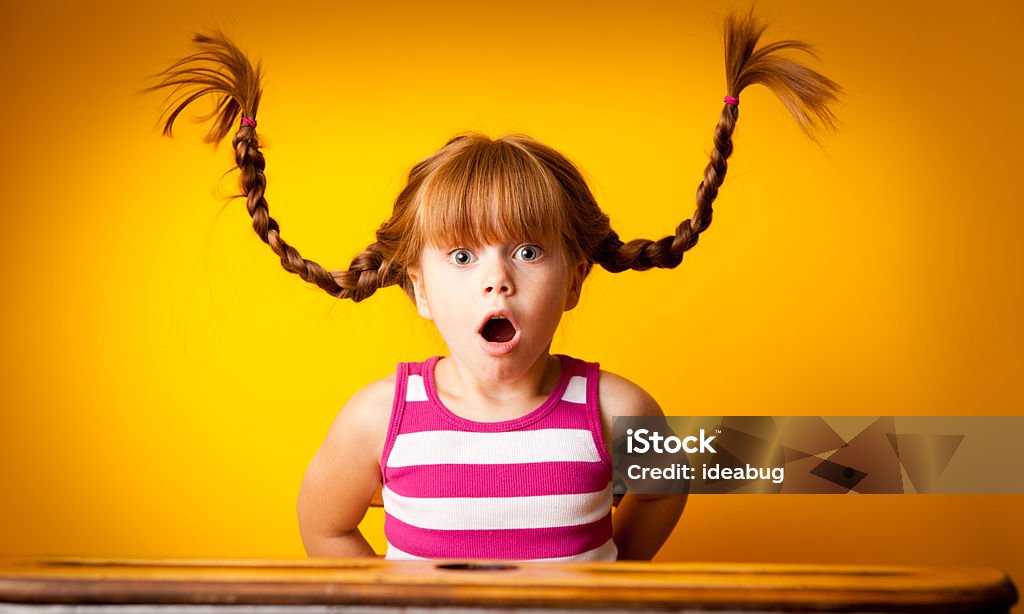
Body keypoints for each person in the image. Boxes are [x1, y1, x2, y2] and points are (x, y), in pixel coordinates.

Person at [148, 10, 839, 561]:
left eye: (529, 250)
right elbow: (321, 526)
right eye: (461, 258)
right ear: (416, 288)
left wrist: (615, 573)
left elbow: (678, 481)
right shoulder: (377, 420)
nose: (496, 280)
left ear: (573, 280)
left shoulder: (615, 412)